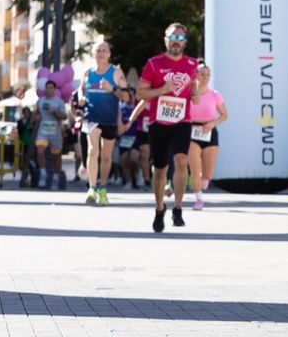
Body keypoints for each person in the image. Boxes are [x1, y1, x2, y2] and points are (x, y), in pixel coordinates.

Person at [136, 22, 199, 233]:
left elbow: (193, 82)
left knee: (182, 161)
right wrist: (162, 90)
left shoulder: (191, 63)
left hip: (182, 120)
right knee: (161, 168)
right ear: (166, 40)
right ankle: (159, 208)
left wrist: (195, 92)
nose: (176, 41)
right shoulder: (154, 64)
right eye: (173, 37)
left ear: (185, 43)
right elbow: (141, 94)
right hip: (158, 122)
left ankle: (178, 208)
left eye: (181, 38)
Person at [79, 42, 129, 206]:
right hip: (91, 117)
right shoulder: (88, 73)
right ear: (93, 53)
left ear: (109, 54)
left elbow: (127, 97)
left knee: (106, 156)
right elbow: (81, 89)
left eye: (104, 50)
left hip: (109, 118)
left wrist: (112, 90)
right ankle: (91, 188)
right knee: (93, 151)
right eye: (98, 50)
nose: (101, 53)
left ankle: (103, 187)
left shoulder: (115, 72)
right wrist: (80, 97)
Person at [186, 63, 227, 210]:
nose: (205, 77)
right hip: (192, 131)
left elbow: (224, 115)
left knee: (208, 172)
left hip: (209, 131)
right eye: (202, 74)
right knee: (195, 167)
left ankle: (204, 180)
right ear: (196, 75)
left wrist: (212, 123)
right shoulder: (189, 94)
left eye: (208, 74)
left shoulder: (215, 94)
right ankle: (198, 198)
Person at [34, 80, 68, 190]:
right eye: (47, 88)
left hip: (55, 132)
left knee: (56, 156)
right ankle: (43, 174)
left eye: (51, 88)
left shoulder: (59, 102)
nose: (48, 90)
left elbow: (64, 117)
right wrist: (35, 117)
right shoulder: (40, 101)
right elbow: (37, 114)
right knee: (40, 151)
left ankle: (56, 177)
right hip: (43, 131)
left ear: (54, 90)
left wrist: (55, 112)